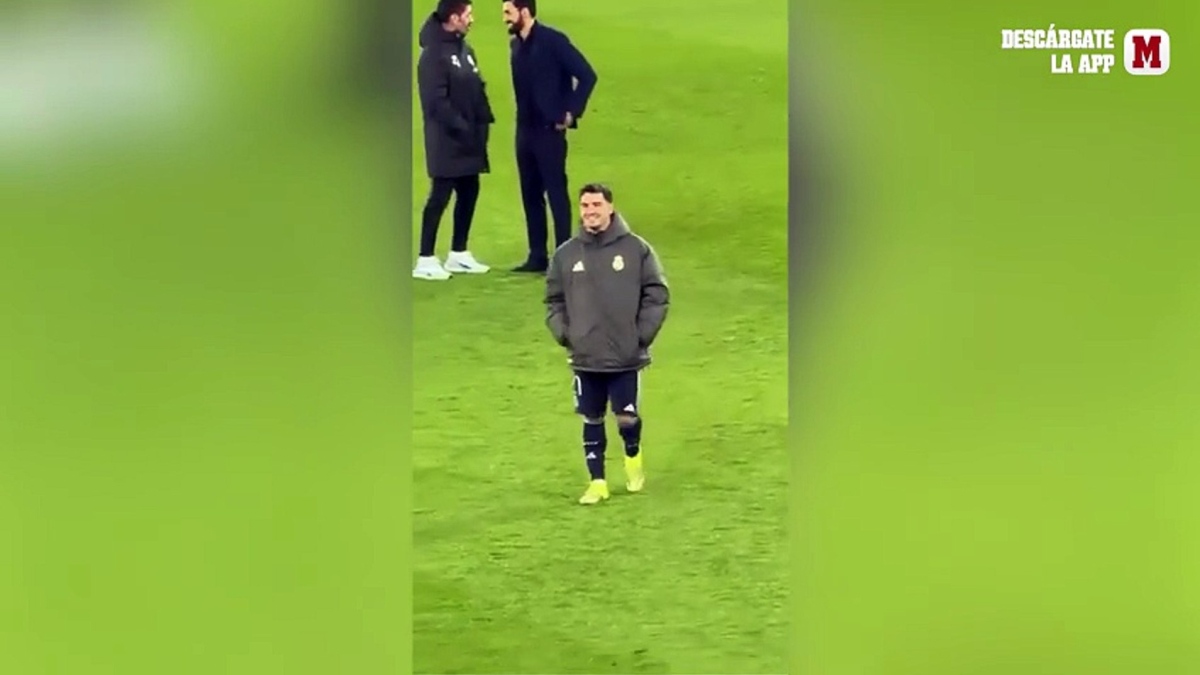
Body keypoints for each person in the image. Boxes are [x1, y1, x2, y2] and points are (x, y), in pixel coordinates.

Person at [545, 184, 670, 505]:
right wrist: (566, 334)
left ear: (610, 208)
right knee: (591, 418)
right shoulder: (566, 254)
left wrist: (639, 336)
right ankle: (597, 482)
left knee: (626, 419)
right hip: (585, 356)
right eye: (585, 205)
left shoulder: (636, 250)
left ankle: (633, 457)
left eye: (596, 204)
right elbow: (554, 300)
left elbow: (656, 294)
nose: (590, 211)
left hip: (625, 355)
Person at [503, 0, 599, 274]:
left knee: (556, 193)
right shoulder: (516, 46)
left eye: (508, 13)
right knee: (530, 194)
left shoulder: (553, 41)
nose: (505, 19)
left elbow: (587, 75)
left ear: (524, 11)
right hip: (524, 131)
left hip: (549, 131)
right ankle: (537, 255)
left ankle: (563, 256)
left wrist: (571, 111)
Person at [414, 0, 495, 281]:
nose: (471, 20)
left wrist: (485, 120)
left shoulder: (464, 49)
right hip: (446, 139)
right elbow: (435, 102)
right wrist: (462, 127)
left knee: (470, 191)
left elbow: (476, 86)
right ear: (453, 17)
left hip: (469, 138)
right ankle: (425, 258)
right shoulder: (432, 56)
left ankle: (458, 254)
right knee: (440, 196)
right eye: (467, 14)